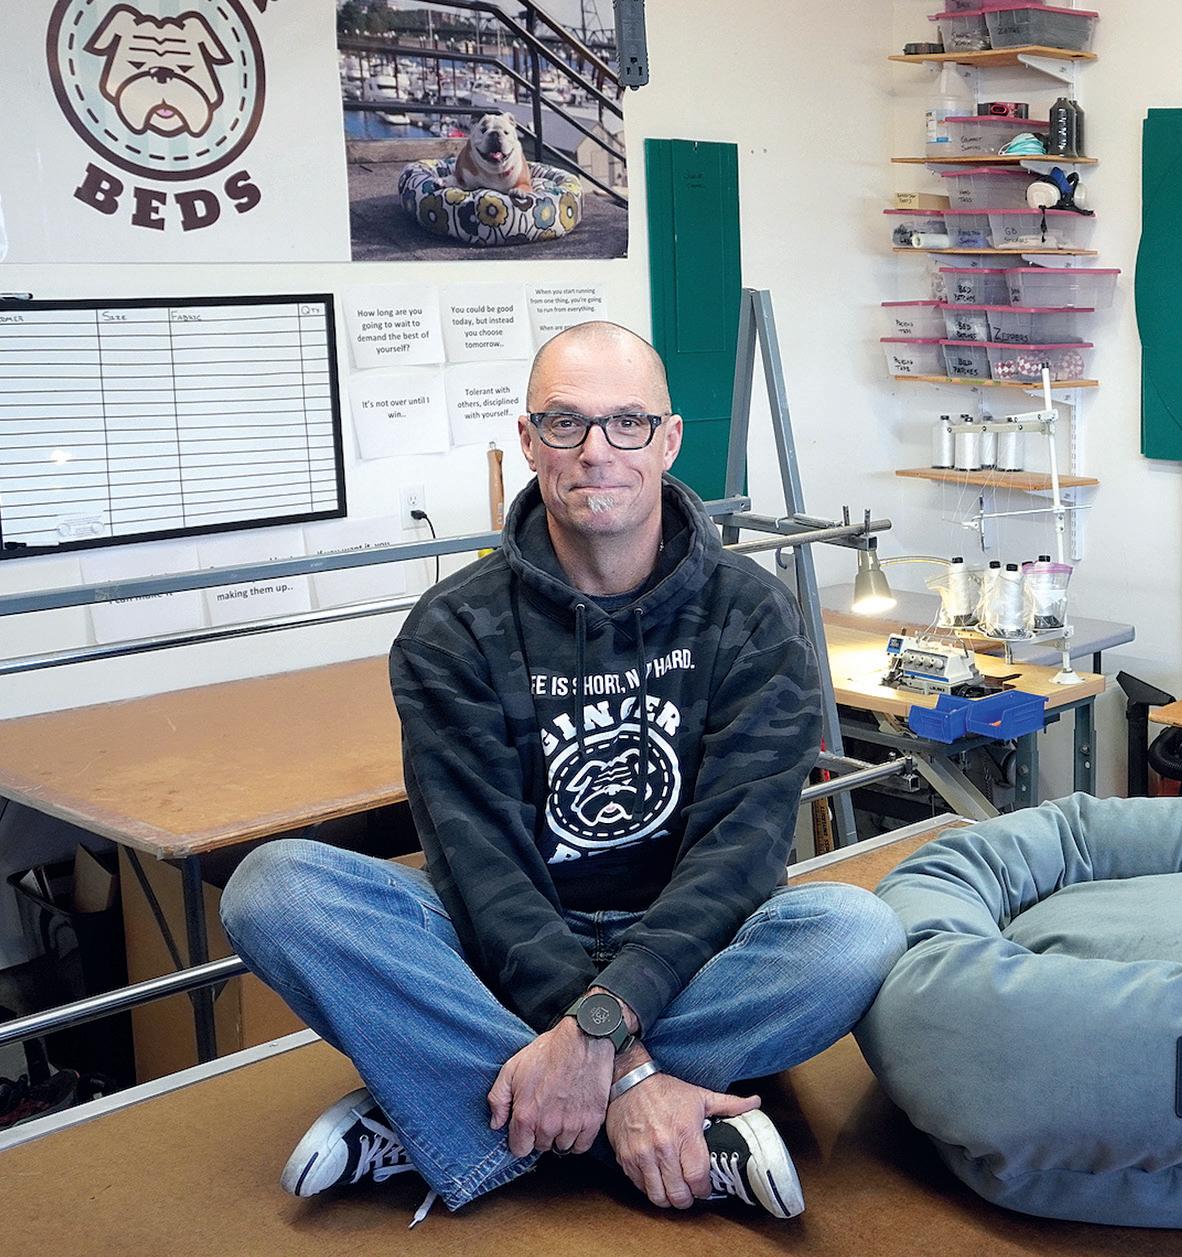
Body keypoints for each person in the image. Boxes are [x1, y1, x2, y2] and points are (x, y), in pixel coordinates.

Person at [220, 321, 903, 1223]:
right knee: (277, 889)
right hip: (502, 940)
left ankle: (461, 1109)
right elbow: (482, 870)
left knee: (852, 932)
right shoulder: (452, 629)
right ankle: (648, 1114)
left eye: (627, 422)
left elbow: (738, 857)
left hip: (689, 944)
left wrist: (608, 1012)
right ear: (528, 437)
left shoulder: (753, 615)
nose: (596, 450)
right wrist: (617, 1053)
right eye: (565, 422)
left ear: (668, 439)